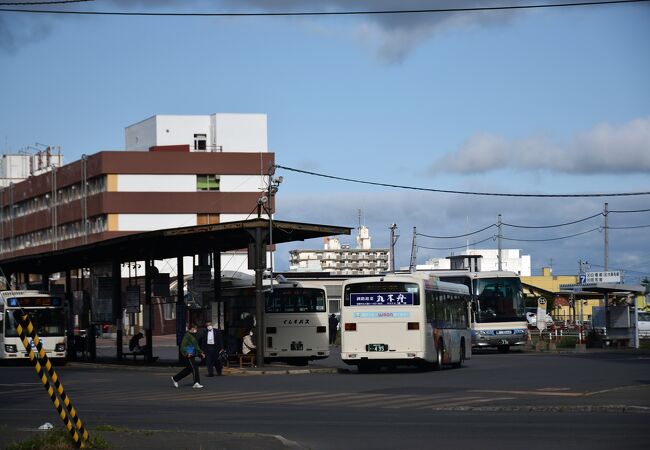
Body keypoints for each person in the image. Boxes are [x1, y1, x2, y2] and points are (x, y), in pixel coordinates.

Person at [172, 324, 205, 389]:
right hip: (189, 354)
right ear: (191, 328)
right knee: (194, 367)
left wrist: (201, 352)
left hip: (192, 353)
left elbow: (196, 346)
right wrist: (187, 353)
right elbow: (182, 346)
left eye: (196, 328)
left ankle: (175, 378)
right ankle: (196, 383)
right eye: (195, 328)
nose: (196, 330)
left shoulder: (193, 335)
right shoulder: (187, 335)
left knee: (189, 369)